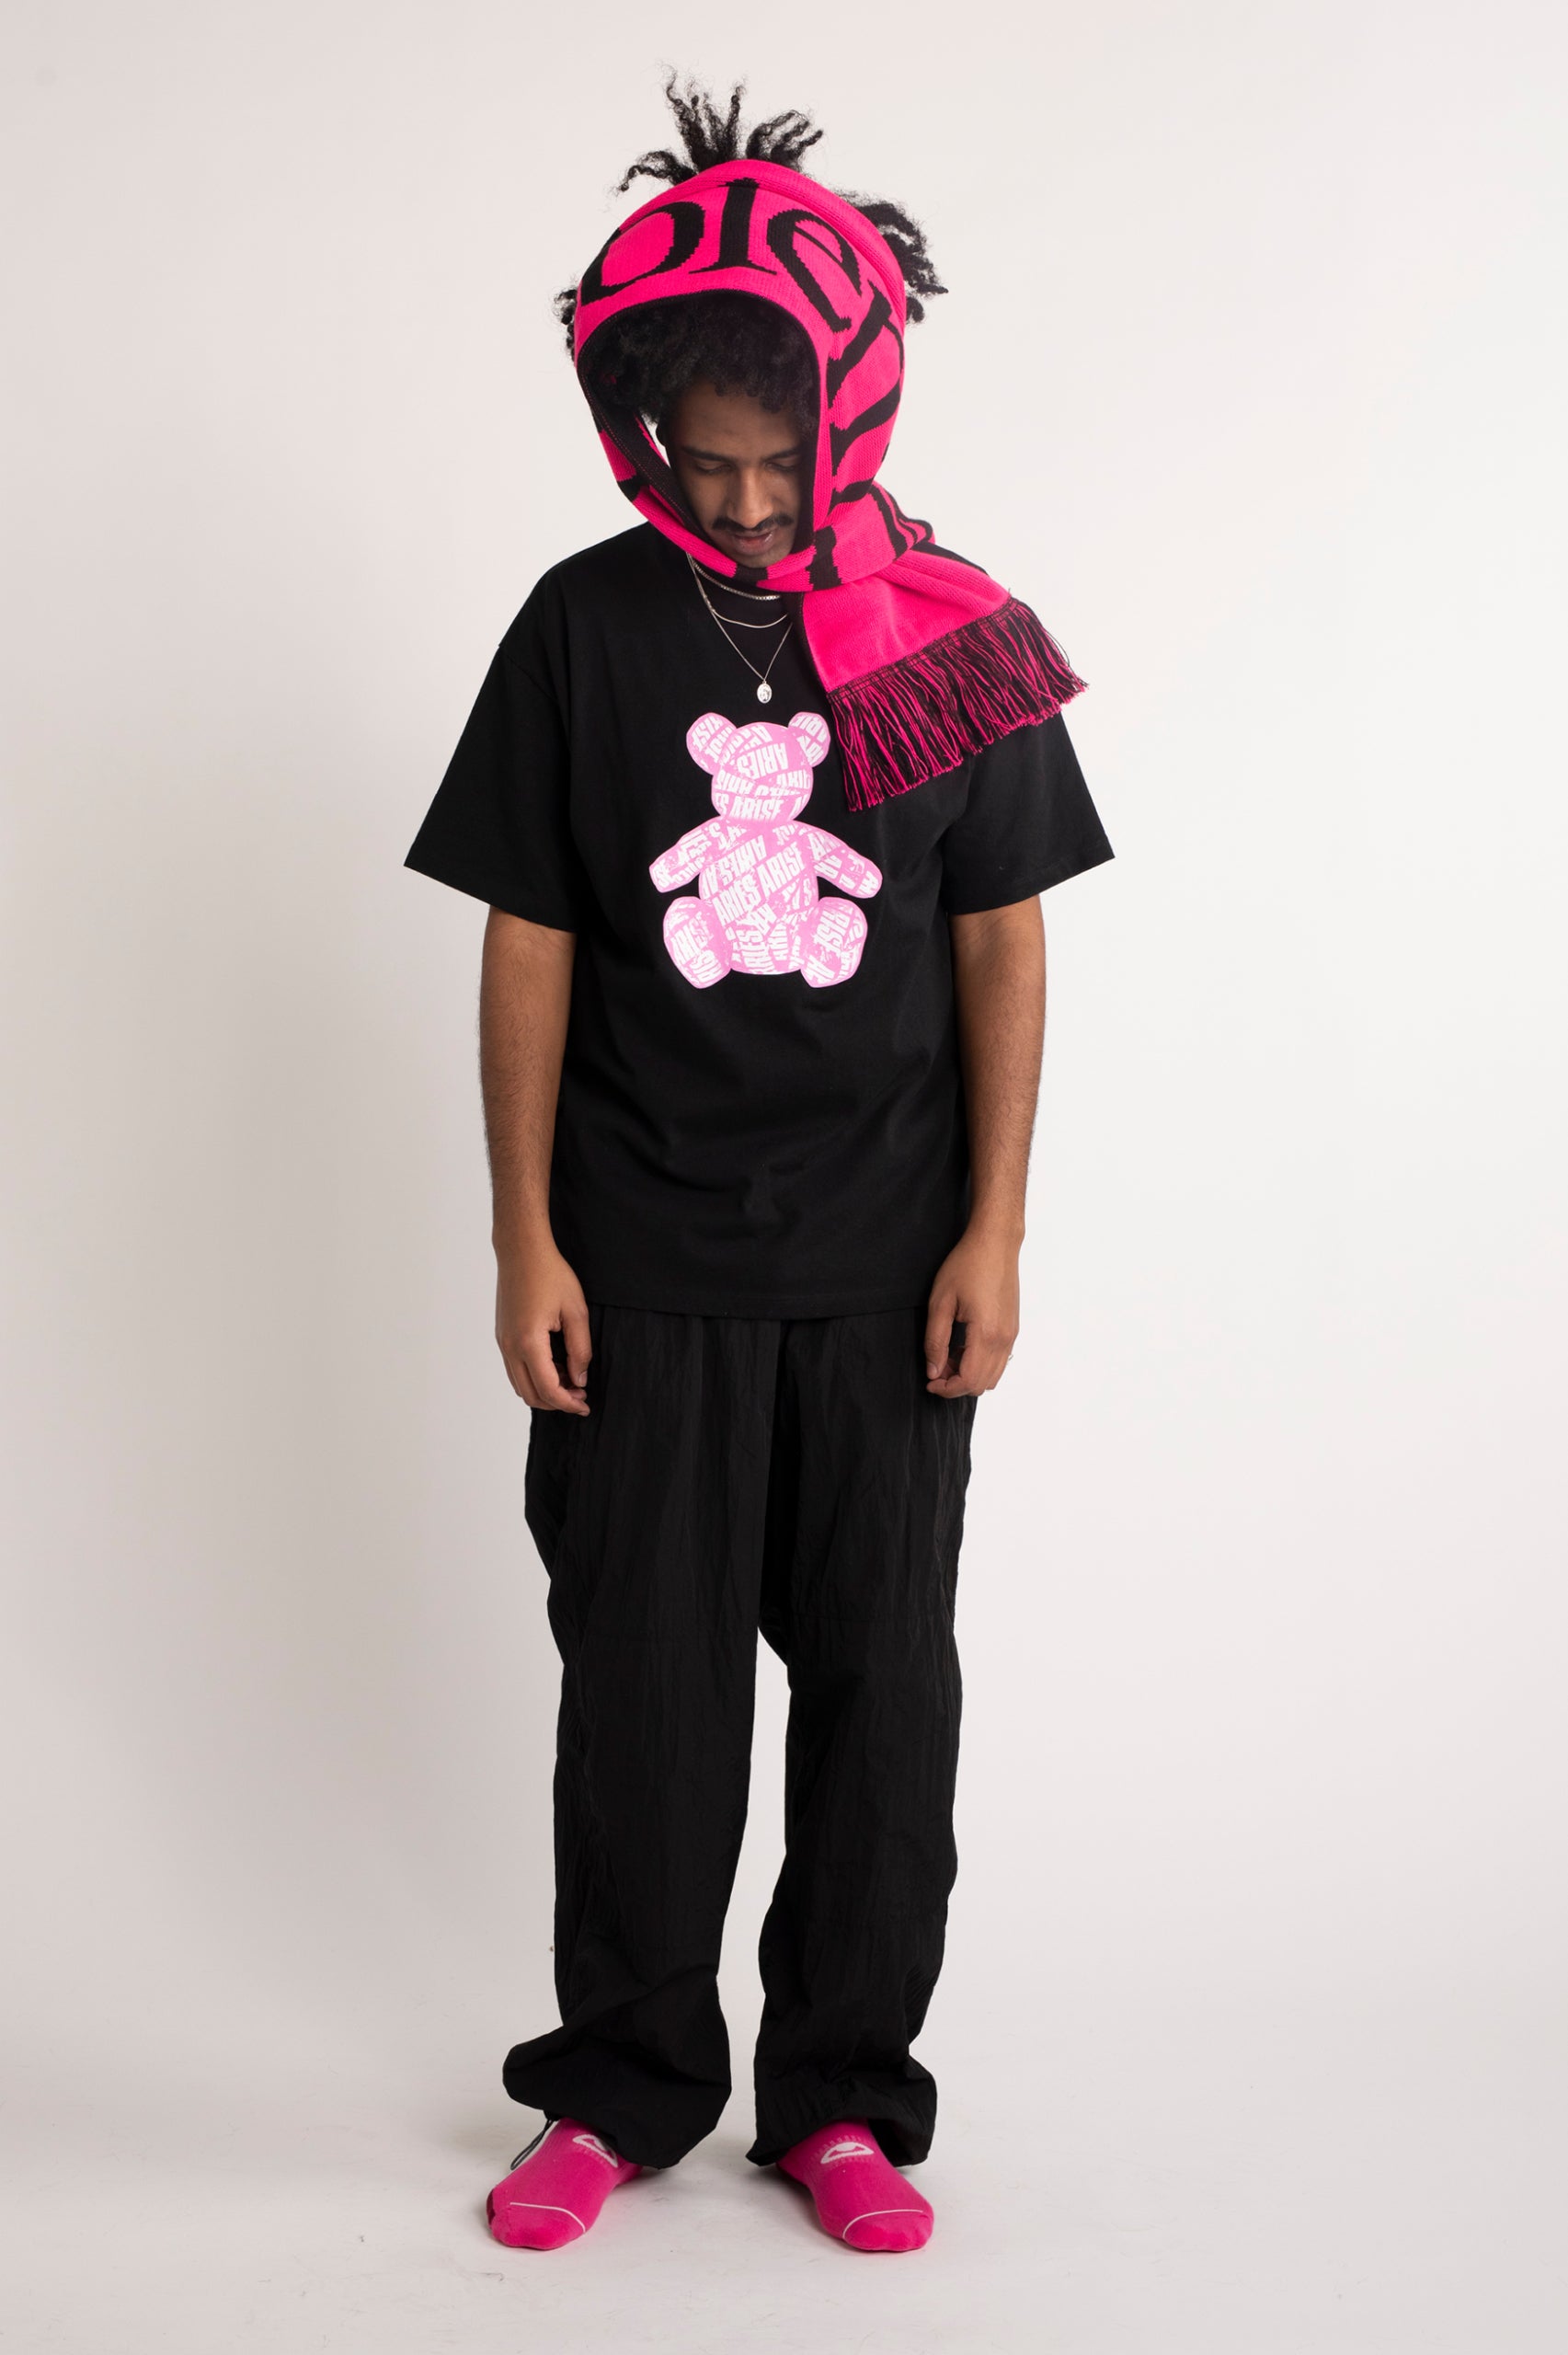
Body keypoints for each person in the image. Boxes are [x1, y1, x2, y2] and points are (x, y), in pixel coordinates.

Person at [404, 75, 1114, 2255]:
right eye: (694, 462)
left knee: (884, 1695)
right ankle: (618, 2084)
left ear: (849, 406)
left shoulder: (949, 629)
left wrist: (994, 1228)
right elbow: (531, 936)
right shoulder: (579, 626)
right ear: (640, 430)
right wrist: (522, 1236)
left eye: (770, 462)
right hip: (638, 1254)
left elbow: (997, 942)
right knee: (643, 1699)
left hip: (890, 1263)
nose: (733, 504)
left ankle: (840, 2097)